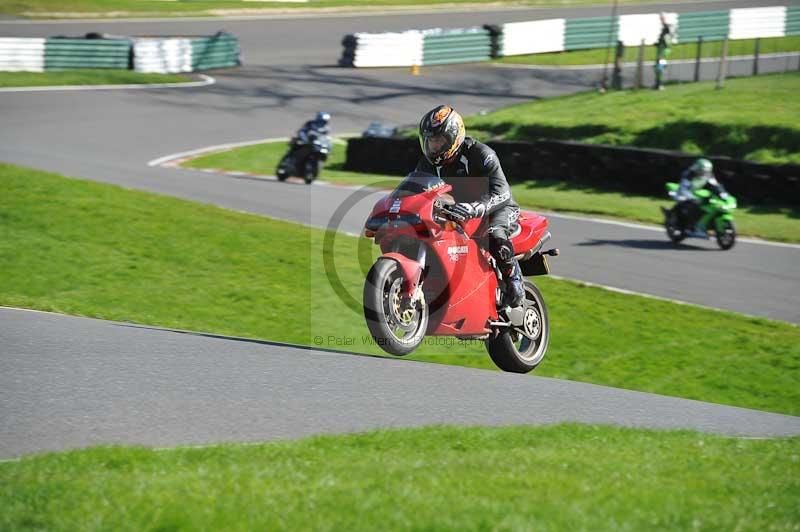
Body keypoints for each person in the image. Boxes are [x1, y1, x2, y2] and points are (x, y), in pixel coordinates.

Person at [415, 104, 525, 307]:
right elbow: (413, 191)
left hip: (497, 208)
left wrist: (476, 207)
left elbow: (503, 192)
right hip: (458, 213)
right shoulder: (426, 164)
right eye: (430, 142)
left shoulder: (481, 154)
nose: (434, 147)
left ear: (454, 137)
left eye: (439, 141)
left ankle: (514, 279)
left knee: (494, 236)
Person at [676, 158, 728, 236]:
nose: (704, 173)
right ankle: (687, 226)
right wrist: (691, 197)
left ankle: (705, 225)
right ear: (697, 168)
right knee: (691, 206)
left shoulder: (709, 175)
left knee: (709, 205)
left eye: (706, 171)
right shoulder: (689, 174)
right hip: (685, 193)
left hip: (698, 194)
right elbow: (683, 188)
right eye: (702, 171)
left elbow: (715, 185)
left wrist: (722, 193)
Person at [653, 13, 674, 90]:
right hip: (661, 50)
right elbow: (663, 39)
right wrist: (657, 43)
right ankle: (658, 83)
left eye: (662, 18)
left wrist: (661, 43)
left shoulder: (667, 27)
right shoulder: (664, 29)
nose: (661, 20)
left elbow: (668, 38)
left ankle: (660, 84)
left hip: (665, 51)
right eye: (660, 18)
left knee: (660, 67)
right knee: (656, 67)